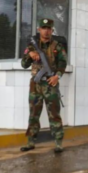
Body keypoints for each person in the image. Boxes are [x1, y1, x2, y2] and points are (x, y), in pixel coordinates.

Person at [20, 18, 68, 153]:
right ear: (39, 29)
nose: (46, 31)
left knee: (54, 114)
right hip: (35, 84)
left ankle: (58, 143)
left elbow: (62, 64)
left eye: (48, 29)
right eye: (43, 28)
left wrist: (56, 76)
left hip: (50, 83)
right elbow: (23, 65)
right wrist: (30, 54)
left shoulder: (58, 46)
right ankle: (30, 142)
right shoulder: (32, 46)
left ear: (52, 30)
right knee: (33, 114)